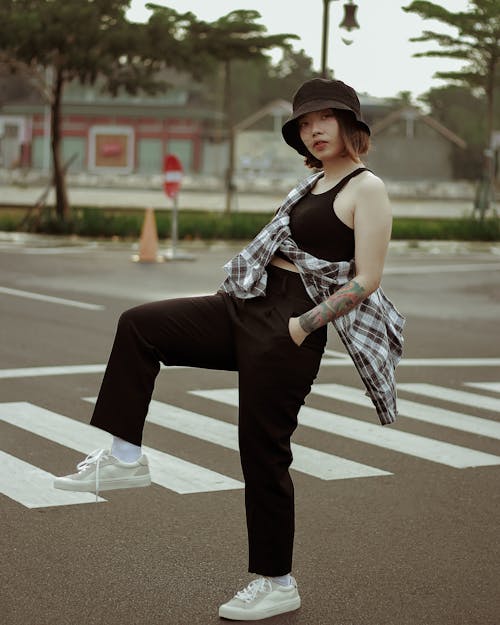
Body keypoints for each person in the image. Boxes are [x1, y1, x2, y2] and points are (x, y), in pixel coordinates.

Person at [54, 78, 404, 621]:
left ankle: (277, 581)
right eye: (304, 124)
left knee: (262, 454)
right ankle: (126, 458)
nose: (313, 131)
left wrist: (301, 326)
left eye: (324, 120)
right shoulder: (309, 187)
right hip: (248, 302)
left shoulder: (367, 188)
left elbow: (367, 280)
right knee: (140, 325)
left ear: (350, 124)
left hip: (290, 323)